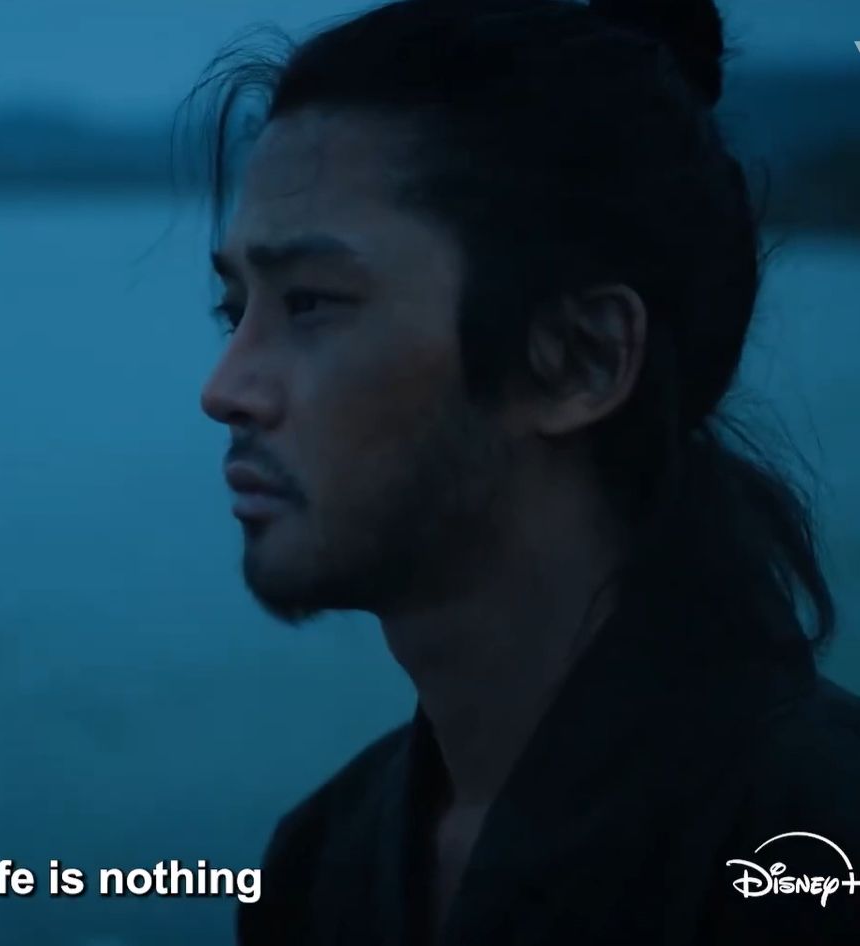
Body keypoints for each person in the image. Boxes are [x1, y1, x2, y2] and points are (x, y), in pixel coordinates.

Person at [190, 0, 860, 943]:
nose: (225, 390)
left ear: (580, 360)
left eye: (311, 303)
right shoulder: (319, 864)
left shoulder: (815, 843)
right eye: (235, 311)